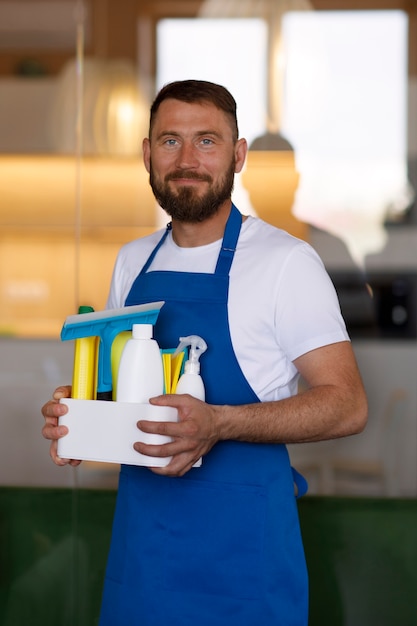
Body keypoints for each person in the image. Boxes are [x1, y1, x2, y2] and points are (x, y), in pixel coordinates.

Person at [42, 79, 368, 626]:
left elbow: (348, 404)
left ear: (238, 156)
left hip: (245, 568)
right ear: (147, 154)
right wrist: (81, 413)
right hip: (143, 558)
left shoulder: (286, 263)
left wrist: (217, 422)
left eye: (207, 142)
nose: (187, 159)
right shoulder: (132, 262)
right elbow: (119, 396)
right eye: (170, 141)